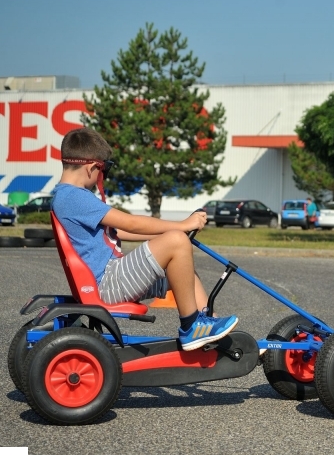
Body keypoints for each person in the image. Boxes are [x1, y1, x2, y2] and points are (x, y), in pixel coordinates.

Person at [50, 127, 238, 351]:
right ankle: (191, 327)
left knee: (184, 271)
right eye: (105, 170)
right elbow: (131, 223)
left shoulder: (67, 196)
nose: (103, 177)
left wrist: (168, 234)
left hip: (109, 280)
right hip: (107, 283)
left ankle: (209, 328)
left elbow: (120, 231)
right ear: (92, 167)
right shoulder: (74, 197)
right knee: (177, 241)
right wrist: (181, 226)